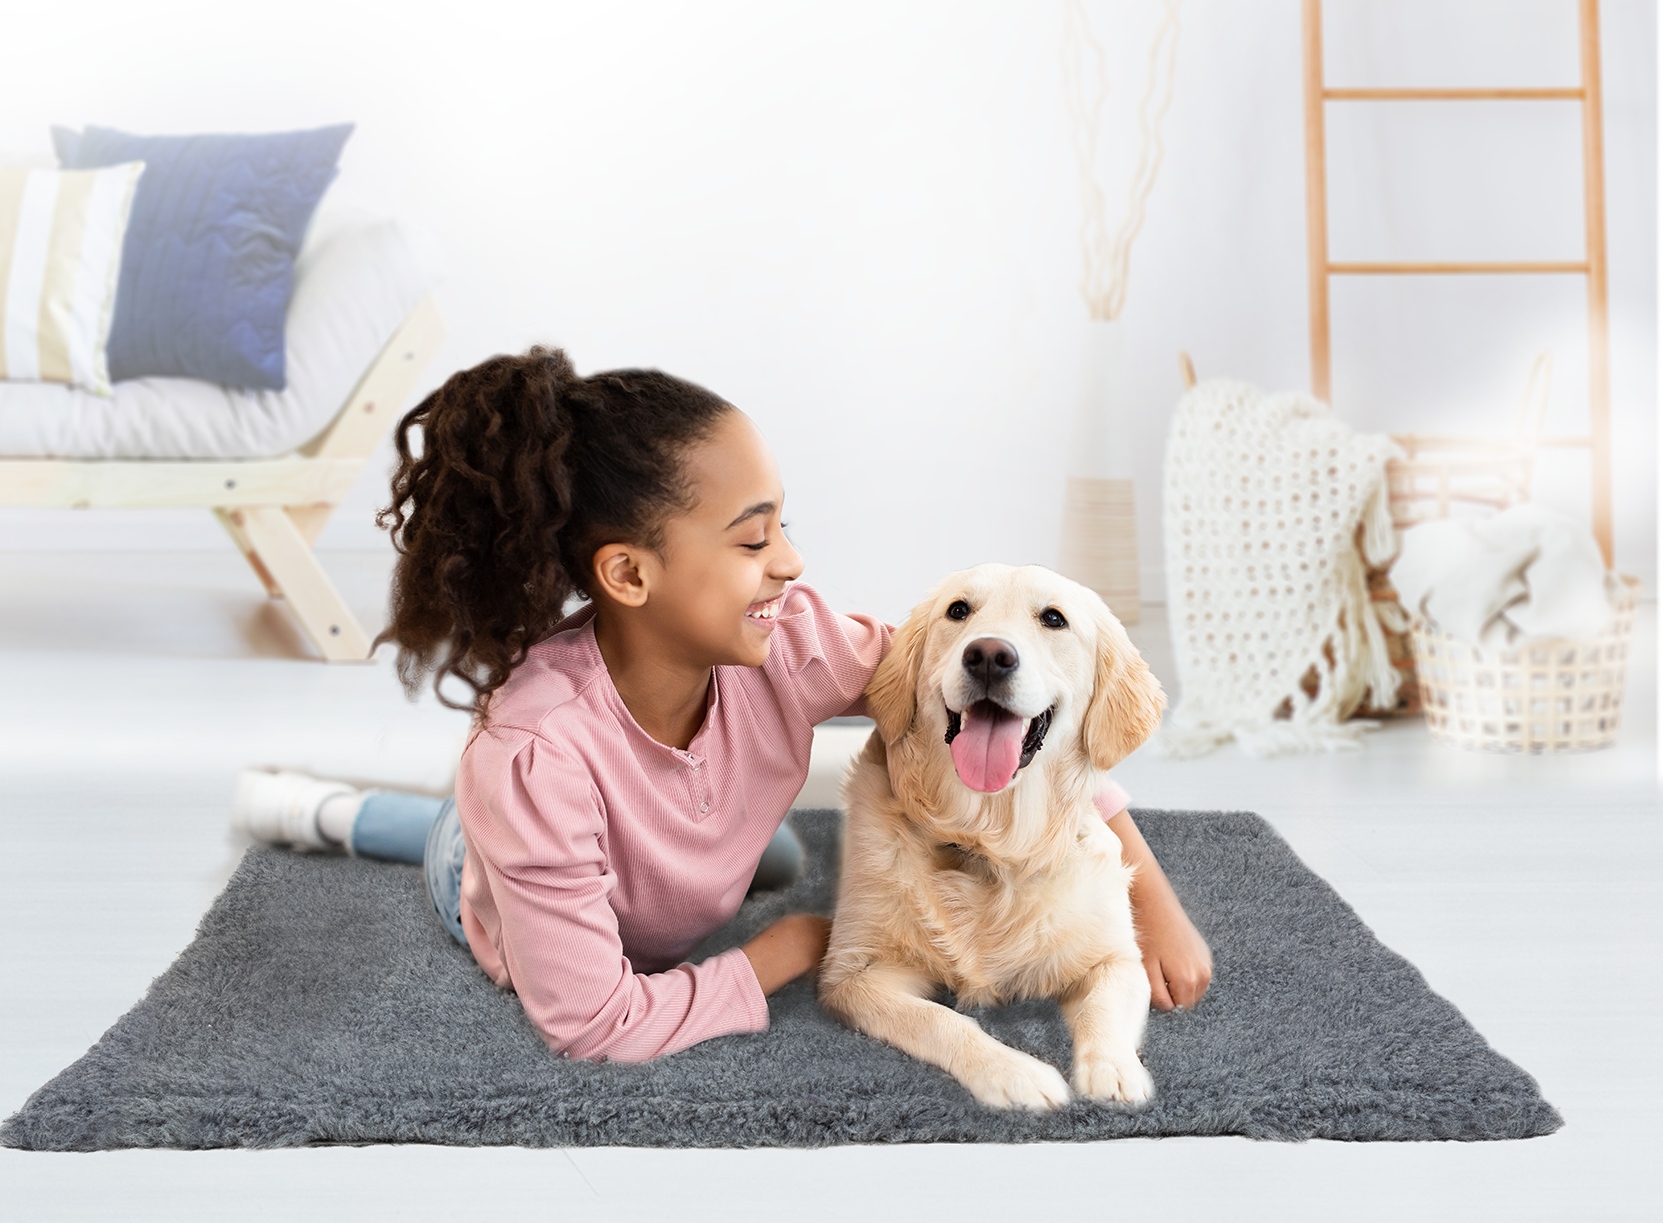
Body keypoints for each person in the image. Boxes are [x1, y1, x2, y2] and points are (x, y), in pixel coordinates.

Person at [231, 347, 1212, 1064]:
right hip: (489, 864)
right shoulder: (536, 757)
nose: (787, 560)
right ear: (627, 571)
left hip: (671, 858)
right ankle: (325, 810)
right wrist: (780, 949)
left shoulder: (788, 635)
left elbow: (1003, 716)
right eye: (752, 539)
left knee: (773, 853)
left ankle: (699, 856)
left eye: (784, 523)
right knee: (448, 844)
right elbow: (594, 1021)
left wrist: (1149, 901)